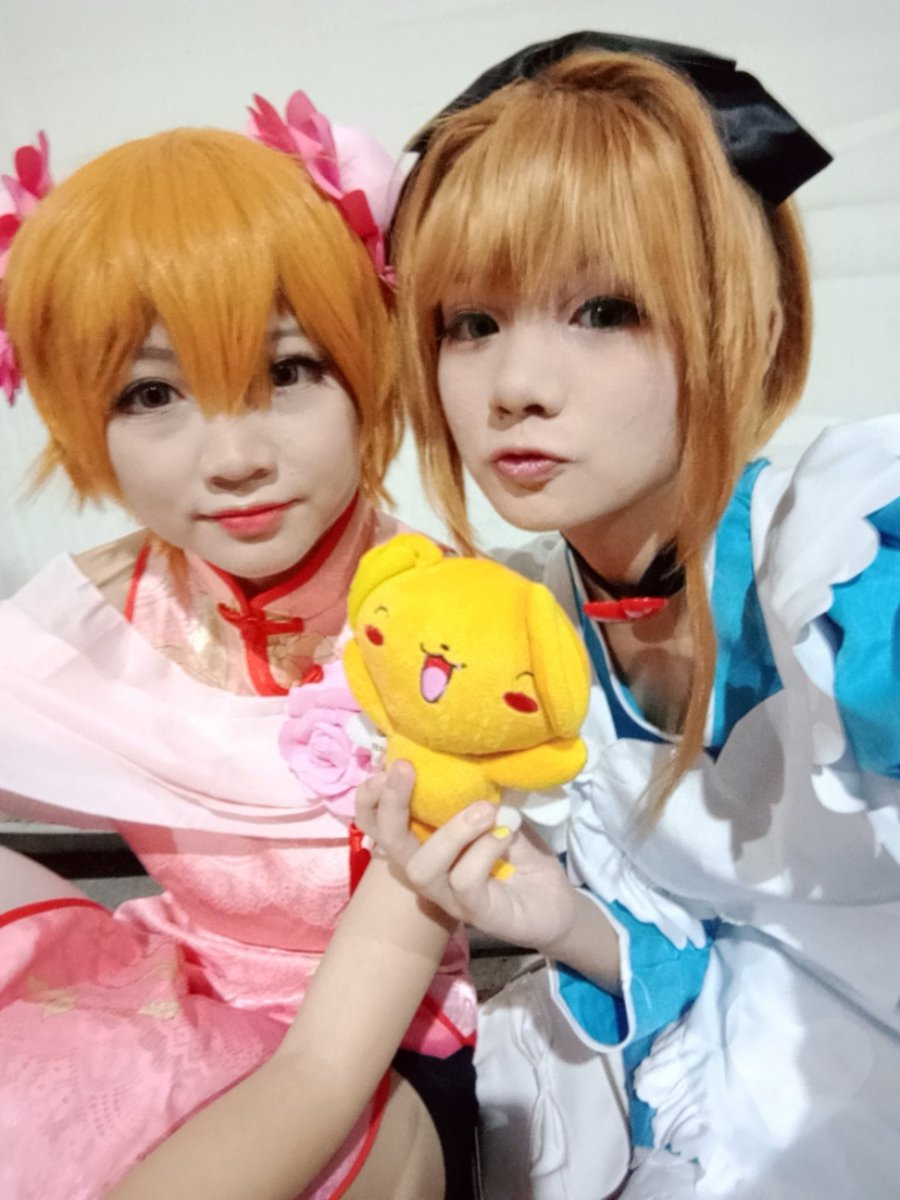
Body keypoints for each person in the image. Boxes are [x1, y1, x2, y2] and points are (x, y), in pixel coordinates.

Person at [358, 31, 900, 1199]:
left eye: (604, 310)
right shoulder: (531, 622)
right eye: (470, 323)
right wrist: (556, 916)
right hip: (724, 1082)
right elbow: (707, 950)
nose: (515, 386)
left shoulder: (843, 562)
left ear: (747, 320)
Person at [0, 99, 477, 1200]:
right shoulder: (93, 612)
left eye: (288, 370)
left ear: (367, 363)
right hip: (171, 1000)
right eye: (151, 393)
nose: (232, 458)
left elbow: (322, 1069)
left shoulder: (445, 626)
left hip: (376, 1058)